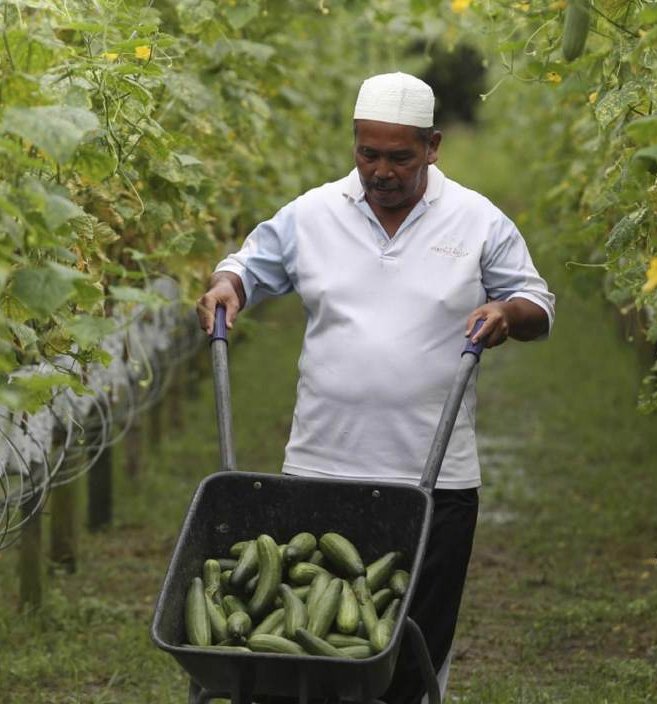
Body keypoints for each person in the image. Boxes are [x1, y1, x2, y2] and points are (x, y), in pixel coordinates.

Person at [196, 72, 554, 703]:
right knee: (308, 638)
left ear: (433, 146)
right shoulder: (313, 213)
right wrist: (229, 286)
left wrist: (507, 314)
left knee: (411, 649)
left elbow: (535, 301)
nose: (381, 171)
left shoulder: (476, 219)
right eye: (368, 154)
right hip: (319, 469)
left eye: (400, 156)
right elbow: (248, 265)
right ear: (354, 145)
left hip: (435, 482)